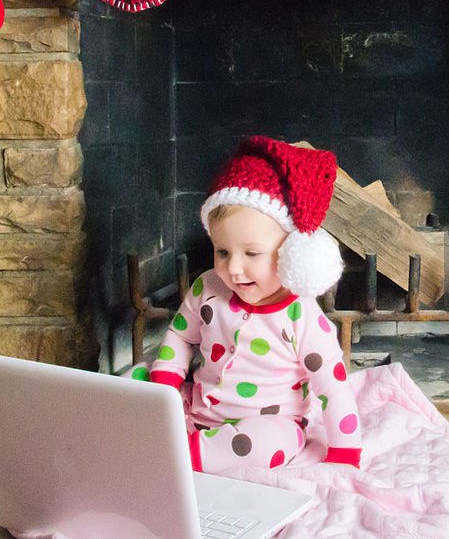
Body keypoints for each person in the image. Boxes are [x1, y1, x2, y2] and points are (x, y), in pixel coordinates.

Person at [147, 137, 362, 473]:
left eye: (251, 253)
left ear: (293, 252)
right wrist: (164, 384)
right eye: (222, 251)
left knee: (268, 445)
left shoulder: (301, 314)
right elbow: (180, 336)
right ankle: (161, 437)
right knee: (134, 380)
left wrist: (345, 452)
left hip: (271, 423)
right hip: (196, 408)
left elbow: (332, 386)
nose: (233, 268)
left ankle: (180, 455)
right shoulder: (208, 287)